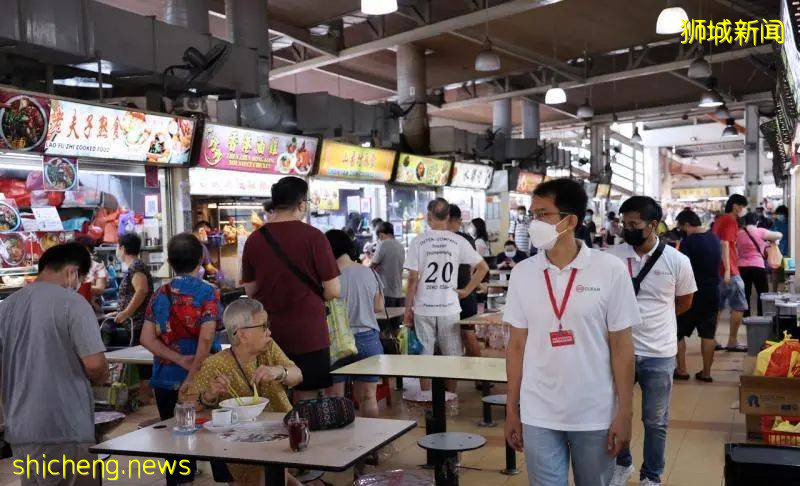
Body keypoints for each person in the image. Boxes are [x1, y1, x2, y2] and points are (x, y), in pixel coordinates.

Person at [504, 178, 639, 486]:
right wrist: (511, 408)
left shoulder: (609, 270)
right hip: (538, 410)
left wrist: (625, 413)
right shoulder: (523, 273)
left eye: (543, 214)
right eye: (532, 214)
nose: (534, 222)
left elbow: (622, 347)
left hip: (594, 411)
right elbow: (516, 346)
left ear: (570, 221)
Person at [0, 243, 108, 486]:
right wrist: (103, 376)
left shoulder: (7, 306)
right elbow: (94, 365)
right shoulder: (73, 303)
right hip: (64, 426)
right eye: (80, 278)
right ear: (72, 272)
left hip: (20, 428)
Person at [608, 197, 696, 486]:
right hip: (619, 351)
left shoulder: (677, 261)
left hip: (659, 352)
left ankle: (652, 475)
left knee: (656, 420)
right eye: (624, 223)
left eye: (634, 224)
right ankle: (622, 464)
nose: (627, 229)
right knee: (616, 413)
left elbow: (684, 302)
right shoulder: (611, 258)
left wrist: (654, 320)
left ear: (653, 225)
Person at [242, 176, 341, 400]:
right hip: (310, 333)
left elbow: (250, 292)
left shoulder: (255, 239)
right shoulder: (315, 237)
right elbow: (334, 290)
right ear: (302, 204)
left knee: (273, 396)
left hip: (269, 335)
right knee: (307, 399)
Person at [187, 298, 303, 486]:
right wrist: (209, 395)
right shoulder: (216, 365)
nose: (269, 332)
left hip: (282, 434)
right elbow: (187, 406)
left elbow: (297, 375)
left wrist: (280, 372)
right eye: (264, 326)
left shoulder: (269, 348)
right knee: (267, 477)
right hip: (240, 445)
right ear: (242, 335)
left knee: (277, 475)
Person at [141, 233, 222, 486]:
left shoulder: (160, 294)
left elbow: (146, 338)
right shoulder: (208, 293)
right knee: (215, 438)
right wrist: (193, 372)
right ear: (200, 260)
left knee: (176, 445)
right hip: (206, 378)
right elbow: (206, 339)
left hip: (166, 379)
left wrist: (179, 360)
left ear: (170, 261)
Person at [404, 198, 489, 392]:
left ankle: (426, 397)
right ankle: (451, 399)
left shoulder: (418, 241)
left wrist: (408, 309)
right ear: (448, 216)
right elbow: (482, 267)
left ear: (429, 216)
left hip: (423, 308)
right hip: (450, 308)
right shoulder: (458, 241)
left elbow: (412, 280)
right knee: (451, 358)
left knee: (424, 357)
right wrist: (467, 290)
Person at [325, 230, 385, 418]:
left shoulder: (327, 278)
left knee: (335, 397)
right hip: (367, 339)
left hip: (336, 341)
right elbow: (378, 307)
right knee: (368, 397)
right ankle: (372, 437)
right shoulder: (369, 272)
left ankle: (340, 435)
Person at [674, 209, 722, 382]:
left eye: (681, 227)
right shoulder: (714, 238)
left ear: (687, 225)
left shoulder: (689, 242)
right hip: (712, 291)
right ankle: (706, 373)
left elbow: (682, 268)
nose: (681, 231)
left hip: (691, 293)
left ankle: (682, 370)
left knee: (678, 332)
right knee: (708, 335)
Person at [115, 232, 155, 403]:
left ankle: (145, 397)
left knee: (141, 361)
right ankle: (144, 395)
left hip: (138, 322)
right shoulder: (135, 266)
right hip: (135, 321)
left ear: (123, 249)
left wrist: (125, 313)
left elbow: (141, 290)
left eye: (118, 247)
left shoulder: (136, 267)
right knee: (141, 361)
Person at [712, 194, 750, 352]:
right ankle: (732, 341)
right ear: (735, 206)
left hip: (717, 269)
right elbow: (724, 244)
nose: (742, 209)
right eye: (741, 206)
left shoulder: (720, 219)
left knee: (718, 307)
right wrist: (728, 270)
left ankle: (711, 339)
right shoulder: (730, 220)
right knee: (740, 306)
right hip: (730, 270)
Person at [449, 205, 483, 362]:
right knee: (464, 335)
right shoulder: (467, 239)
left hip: (461, 293)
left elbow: (477, 267)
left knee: (467, 335)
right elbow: (472, 268)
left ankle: (479, 371)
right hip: (465, 292)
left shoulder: (459, 239)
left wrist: (468, 289)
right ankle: (473, 370)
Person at [736, 212, 782, 317]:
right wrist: (770, 239)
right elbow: (779, 235)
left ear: (745, 221)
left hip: (742, 267)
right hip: (758, 266)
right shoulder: (760, 231)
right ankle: (761, 315)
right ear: (757, 222)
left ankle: (746, 315)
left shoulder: (739, 233)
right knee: (762, 292)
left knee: (745, 292)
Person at [371, 221, 405, 307]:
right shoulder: (400, 246)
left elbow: (372, 266)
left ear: (381, 235)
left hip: (386, 293)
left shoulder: (383, 244)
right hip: (399, 292)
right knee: (397, 315)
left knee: (384, 315)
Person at [771, 205, 789, 291]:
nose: (779, 215)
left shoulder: (790, 224)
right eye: (778, 214)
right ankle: (774, 291)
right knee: (775, 272)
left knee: (788, 272)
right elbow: (770, 234)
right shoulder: (776, 223)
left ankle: (787, 290)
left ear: (785, 214)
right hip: (776, 251)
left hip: (788, 252)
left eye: (781, 214)